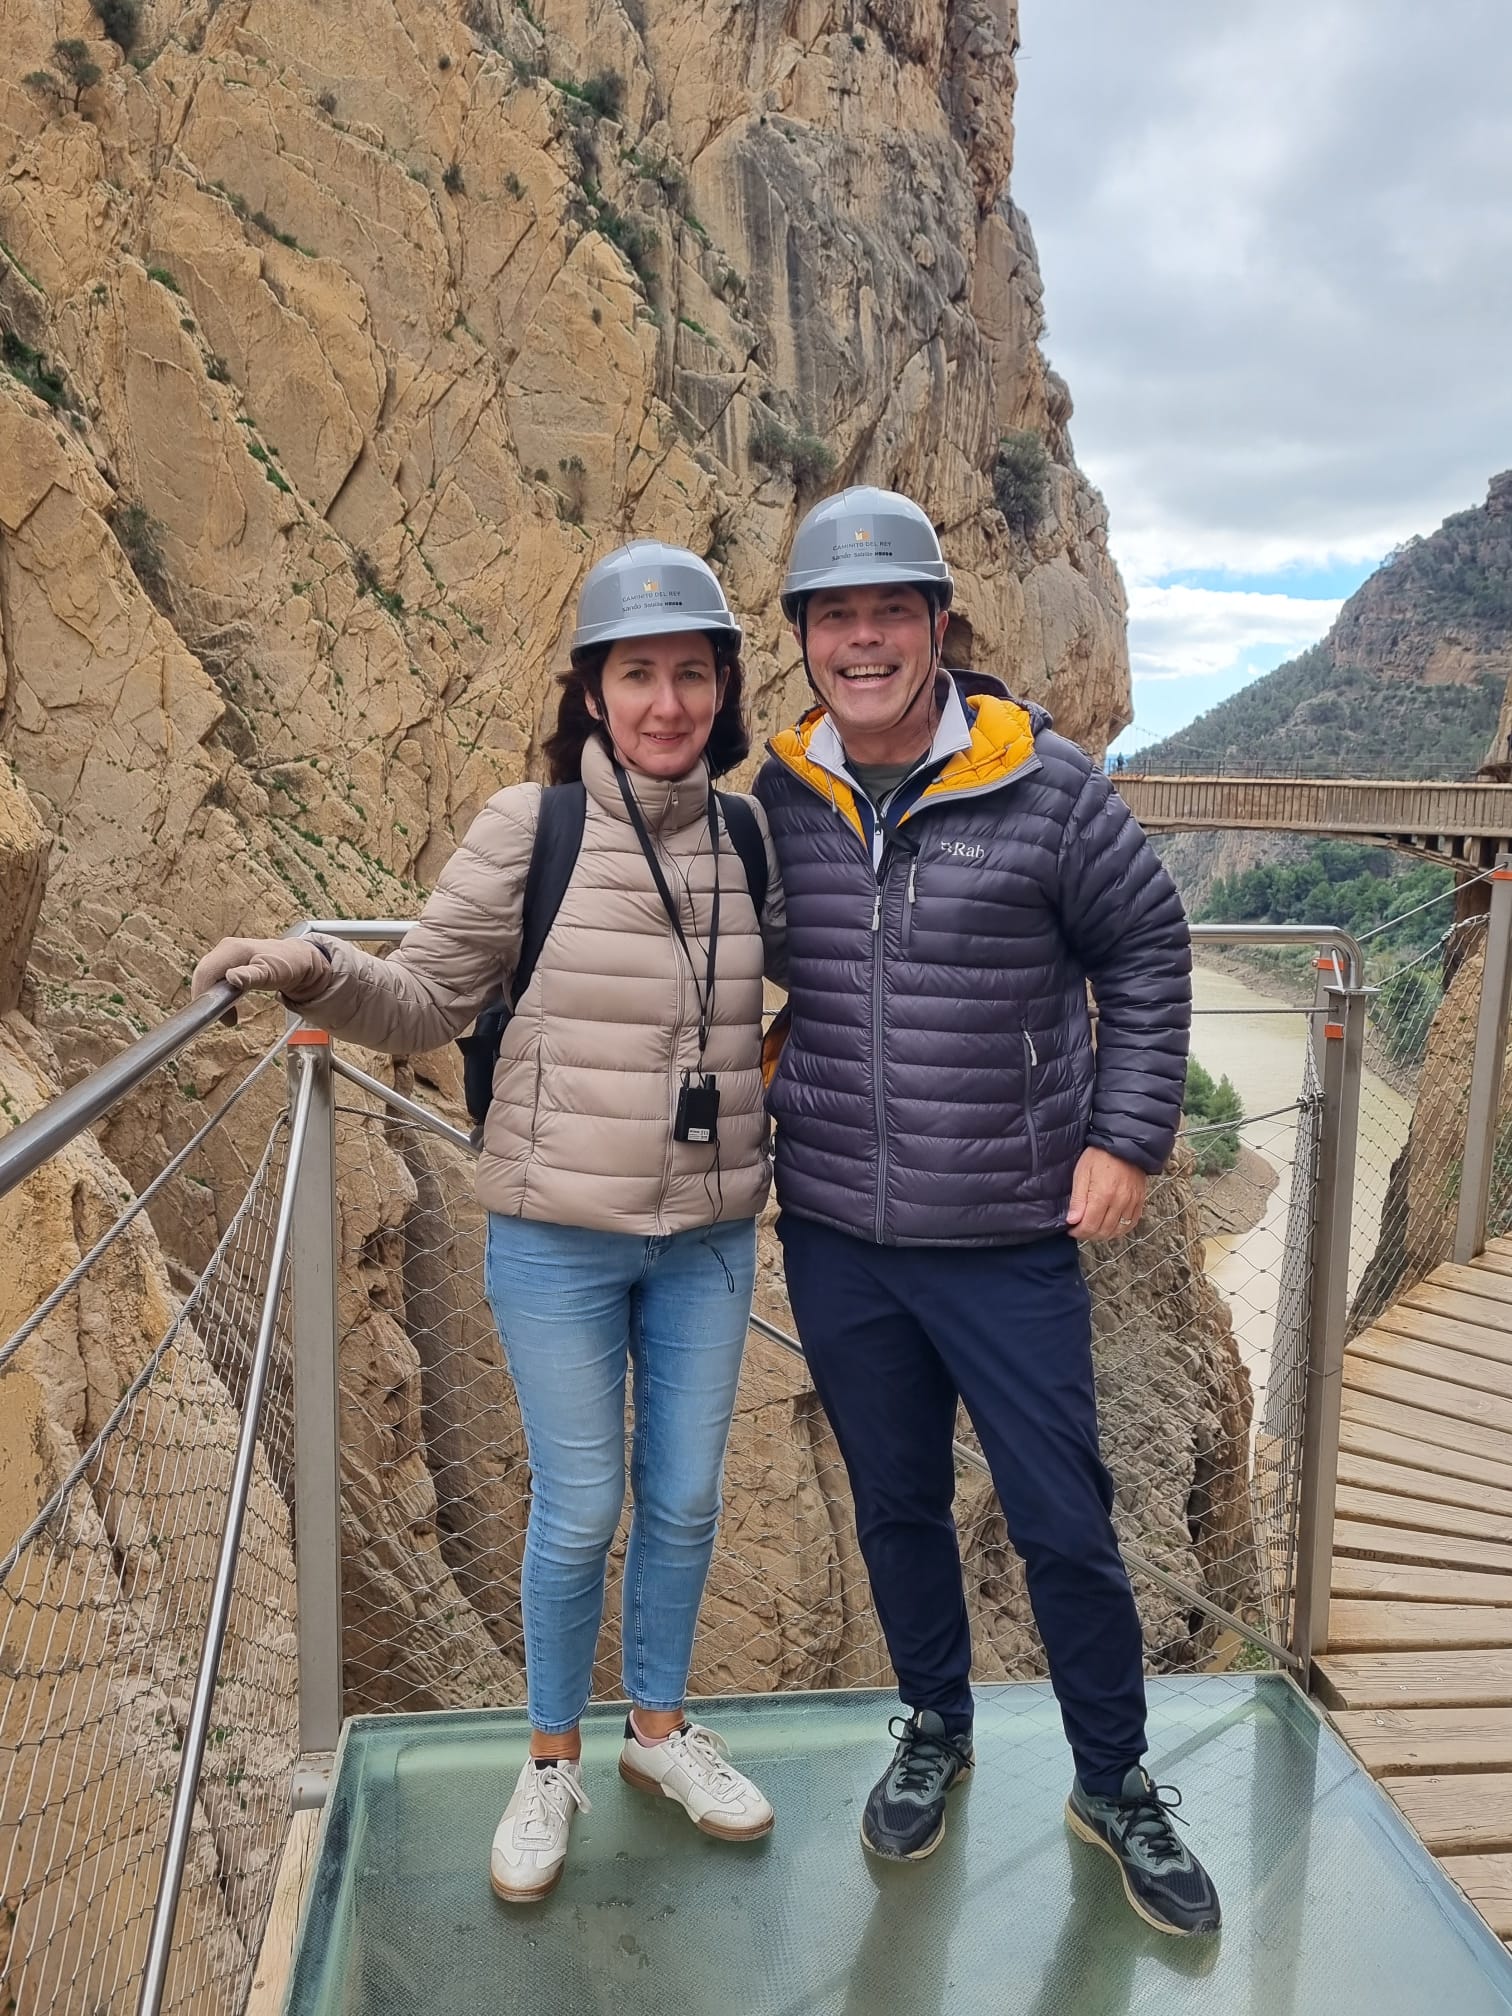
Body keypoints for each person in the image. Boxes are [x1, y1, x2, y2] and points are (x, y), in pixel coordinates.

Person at [193, 543, 783, 1904]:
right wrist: (310, 968)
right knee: (580, 1507)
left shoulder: (751, 839)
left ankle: (656, 1733)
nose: (667, 702)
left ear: (723, 689)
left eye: (692, 674)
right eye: (638, 675)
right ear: (592, 692)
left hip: (706, 1237)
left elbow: (844, 977)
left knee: (685, 1498)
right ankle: (551, 1758)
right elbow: (425, 1000)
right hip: (556, 1235)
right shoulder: (534, 828)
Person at [752, 488, 1221, 1938]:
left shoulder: (1047, 786)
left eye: (891, 613)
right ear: (805, 639)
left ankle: (1115, 1782)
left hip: (1010, 1235)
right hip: (839, 1231)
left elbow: (1147, 948)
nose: (865, 641)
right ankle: (936, 1728)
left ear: (939, 626)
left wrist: (1127, 1138)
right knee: (897, 1506)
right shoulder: (781, 797)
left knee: (1062, 1518)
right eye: (838, 616)